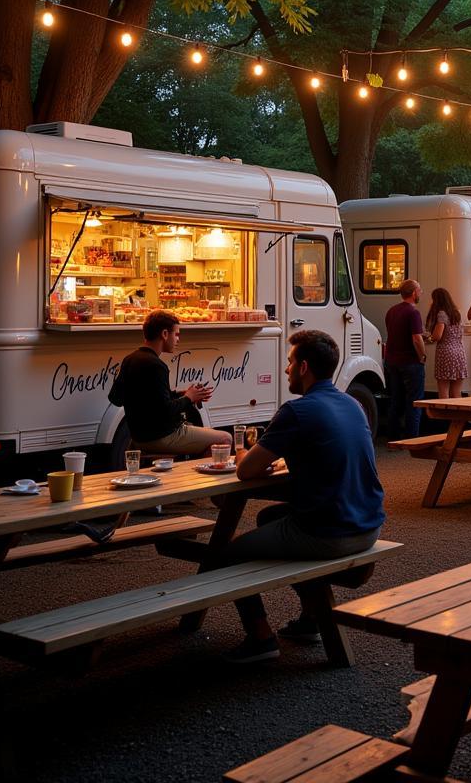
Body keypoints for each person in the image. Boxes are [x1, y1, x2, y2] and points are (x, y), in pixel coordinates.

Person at [220, 330, 385, 663]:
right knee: (269, 518)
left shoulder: (297, 411)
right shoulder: (352, 403)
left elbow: (246, 470)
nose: (286, 369)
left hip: (330, 533)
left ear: (304, 366)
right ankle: (311, 618)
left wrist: (240, 452)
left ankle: (261, 639)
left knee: (226, 555)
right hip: (369, 526)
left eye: (290, 362)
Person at [108, 310, 228, 462]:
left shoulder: (129, 360)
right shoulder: (157, 366)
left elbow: (117, 398)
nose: (178, 339)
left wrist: (180, 394)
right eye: (176, 334)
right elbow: (165, 411)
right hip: (161, 436)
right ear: (165, 334)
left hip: (138, 438)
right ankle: (202, 480)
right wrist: (189, 398)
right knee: (224, 439)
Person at [384, 279, 426, 439]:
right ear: (414, 292)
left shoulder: (392, 310)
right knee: (414, 400)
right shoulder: (413, 312)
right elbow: (416, 338)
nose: (421, 293)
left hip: (392, 360)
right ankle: (412, 437)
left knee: (396, 399)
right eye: (419, 290)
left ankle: (393, 436)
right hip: (409, 361)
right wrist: (422, 355)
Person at [425, 287, 467, 399]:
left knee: (443, 391)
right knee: (457, 392)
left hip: (446, 352)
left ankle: (445, 416)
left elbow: (438, 335)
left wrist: (427, 339)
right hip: (459, 352)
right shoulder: (457, 313)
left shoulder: (442, 314)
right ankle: (458, 416)